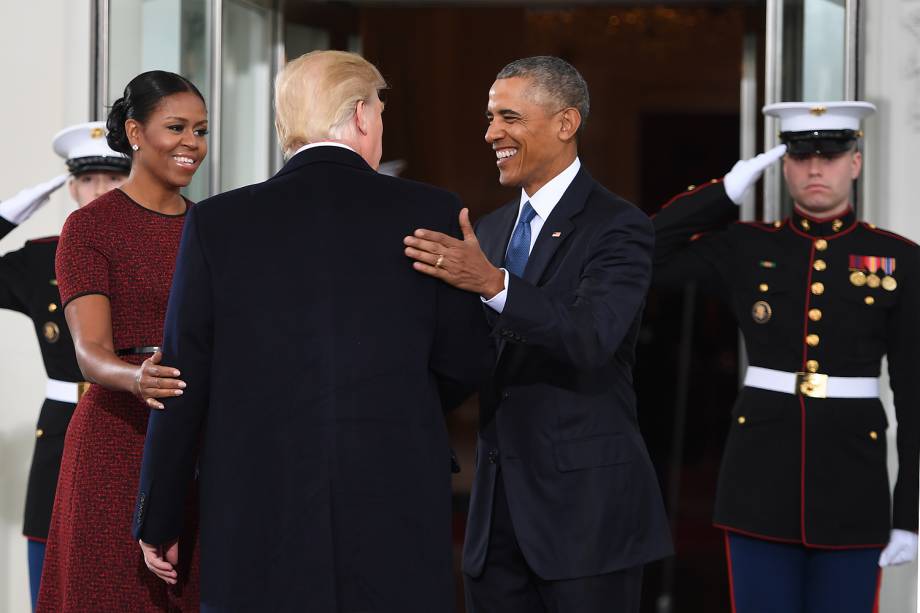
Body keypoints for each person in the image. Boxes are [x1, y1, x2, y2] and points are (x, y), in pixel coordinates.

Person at [132, 50, 492, 612]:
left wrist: (161, 513)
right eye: (378, 109)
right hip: (391, 480)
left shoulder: (217, 222)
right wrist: (395, 401)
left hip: (256, 487)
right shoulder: (431, 210)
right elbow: (467, 360)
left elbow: (181, 376)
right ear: (361, 115)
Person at [403, 56, 672, 613]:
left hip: (586, 522)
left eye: (509, 117)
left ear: (566, 123)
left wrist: (494, 284)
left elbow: (591, 337)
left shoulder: (619, 226)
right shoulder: (489, 228)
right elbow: (463, 358)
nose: (491, 133)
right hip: (495, 524)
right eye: (488, 118)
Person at [651, 101, 919, 612]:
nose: (816, 168)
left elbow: (914, 395)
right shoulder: (746, 246)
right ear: (785, 164)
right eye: (801, 156)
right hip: (757, 485)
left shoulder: (900, 259)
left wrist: (907, 514)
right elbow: (642, 253)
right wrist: (725, 191)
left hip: (854, 488)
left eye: (832, 155)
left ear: (855, 163)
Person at [36, 71, 208, 613]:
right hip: (115, 446)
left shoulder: (216, 228)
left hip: (200, 445)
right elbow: (89, 353)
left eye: (201, 131)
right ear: (135, 132)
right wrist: (137, 378)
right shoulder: (90, 228)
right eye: (176, 127)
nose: (192, 144)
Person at [0, 121, 130, 610]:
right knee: (50, 579)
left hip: (134, 422)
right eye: (89, 179)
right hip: (59, 432)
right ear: (72, 187)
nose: (100, 192)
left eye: (114, 179)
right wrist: (10, 213)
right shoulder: (40, 261)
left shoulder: (160, 250)